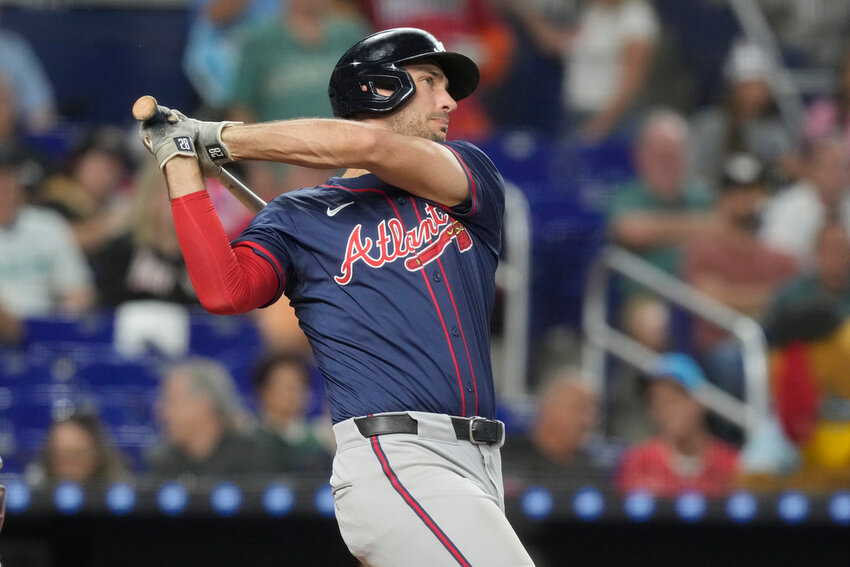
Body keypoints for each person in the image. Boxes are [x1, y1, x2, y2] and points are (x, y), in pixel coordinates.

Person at [137, 27, 535, 566]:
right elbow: (224, 290)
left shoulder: (469, 175)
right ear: (377, 89)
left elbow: (370, 147)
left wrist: (217, 137)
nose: (449, 101)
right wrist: (179, 164)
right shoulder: (298, 217)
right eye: (429, 81)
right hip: (396, 458)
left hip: (480, 464)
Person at [682, 153, 797, 401]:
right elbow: (711, 301)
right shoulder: (703, 251)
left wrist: (736, 298)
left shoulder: (781, 257)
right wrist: (771, 297)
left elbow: (795, 300)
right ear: (723, 197)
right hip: (722, 347)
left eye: (751, 191)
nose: (744, 199)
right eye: (735, 191)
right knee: (732, 362)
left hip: (775, 342)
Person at [505, 0, 659, 144]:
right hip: (575, 114)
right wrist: (525, 14)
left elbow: (631, 84)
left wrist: (598, 128)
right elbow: (556, 46)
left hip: (613, 120)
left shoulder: (636, 17)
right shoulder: (593, 13)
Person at [614, 353, 739, 497]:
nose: (664, 411)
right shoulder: (638, 462)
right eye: (655, 402)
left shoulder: (731, 465)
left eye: (673, 399)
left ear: (698, 402)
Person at [689, 38, 799, 191]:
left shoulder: (776, 136)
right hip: (711, 206)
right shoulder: (707, 126)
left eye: (761, 88)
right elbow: (693, 178)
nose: (755, 95)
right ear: (733, 88)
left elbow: (781, 184)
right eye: (749, 87)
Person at [0, 156, 94, 329]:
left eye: (8, 188)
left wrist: (62, 324)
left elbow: (78, 290)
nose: (4, 196)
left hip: (44, 326)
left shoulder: (48, 226)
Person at [89, 162, 197, 308]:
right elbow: (105, 309)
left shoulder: (208, 256)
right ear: (149, 198)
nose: (183, 199)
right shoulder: (120, 252)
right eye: (172, 190)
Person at [146, 357, 274, 479]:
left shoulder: (251, 456)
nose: (161, 411)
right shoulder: (162, 462)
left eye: (170, 401)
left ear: (203, 404)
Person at [36, 126, 132, 257]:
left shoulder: (113, 203)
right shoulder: (55, 198)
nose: (104, 173)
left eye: (113, 167)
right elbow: (60, 240)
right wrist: (114, 222)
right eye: (97, 163)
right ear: (77, 163)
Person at [759, 134, 850, 270]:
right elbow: (774, 261)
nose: (838, 175)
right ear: (813, 170)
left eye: (843, 168)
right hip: (797, 283)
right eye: (831, 167)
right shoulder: (786, 208)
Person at [501, 370, 604, 481]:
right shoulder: (506, 459)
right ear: (549, 409)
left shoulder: (591, 476)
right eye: (580, 409)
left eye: (592, 412)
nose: (588, 421)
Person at [252, 351, 334, 474]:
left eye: (299, 385)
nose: (293, 393)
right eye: (284, 386)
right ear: (264, 391)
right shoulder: (248, 435)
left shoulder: (321, 436)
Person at [25, 411, 131, 487]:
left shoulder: (118, 489)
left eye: (76, 454)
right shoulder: (35, 488)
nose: (68, 465)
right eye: (60, 455)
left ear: (97, 455)